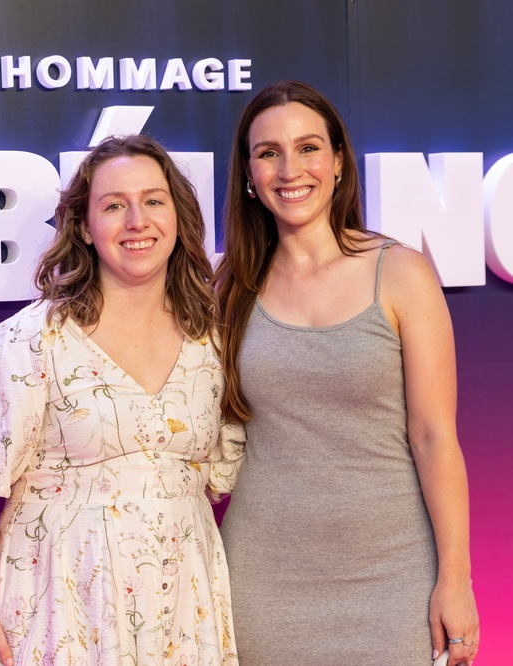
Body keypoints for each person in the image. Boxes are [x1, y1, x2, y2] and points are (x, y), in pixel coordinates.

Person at [0, 135, 245, 666]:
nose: (137, 221)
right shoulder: (29, 343)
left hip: (184, 605)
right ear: (86, 227)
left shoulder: (212, 340)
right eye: (114, 206)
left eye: (153, 200)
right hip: (60, 606)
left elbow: (221, 475)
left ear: (178, 217)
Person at [214, 81, 479, 666]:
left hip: (396, 575)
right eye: (268, 153)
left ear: (338, 162)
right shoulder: (226, 288)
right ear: (249, 175)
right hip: (262, 581)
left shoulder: (402, 273)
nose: (290, 170)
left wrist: (455, 579)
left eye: (309, 148)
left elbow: (435, 438)